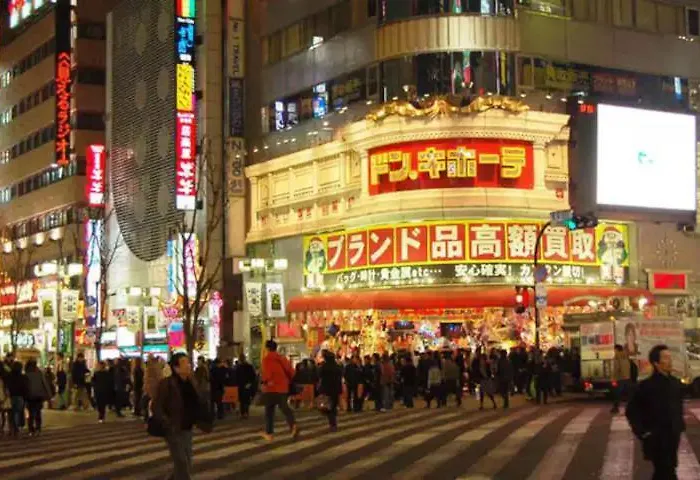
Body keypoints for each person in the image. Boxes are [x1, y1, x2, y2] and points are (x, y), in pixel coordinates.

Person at [626, 345, 685, 480]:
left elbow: (678, 407)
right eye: (666, 358)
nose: (670, 361)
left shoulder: (675, 383)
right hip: (656, 437)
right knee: (666, 470)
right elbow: (632, 411)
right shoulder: (646, 386)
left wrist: (679, 425)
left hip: (673, 435)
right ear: (656, 363)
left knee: (666, 470)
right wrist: (643, 432)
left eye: (670, 357)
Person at [152, 352, 212, 480]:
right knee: (181, 462)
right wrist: (166, 422)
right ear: (176, 368)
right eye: (184, 363)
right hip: (173, 428)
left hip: (187, 427)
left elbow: (198, 402)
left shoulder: (191, 382)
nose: (188, 365)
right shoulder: (167, 383)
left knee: (186, 461)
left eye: (188, 362)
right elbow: (157, 406)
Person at [260, 340, 298, 442]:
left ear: (267, 348)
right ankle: (293, 425)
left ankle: (269, 433)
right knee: (284, 408)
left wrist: (264, 382)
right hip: (283, 388)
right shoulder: (282, 358)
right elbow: (292, 372)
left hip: (271, 388)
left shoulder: (266, 359)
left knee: (269, 411)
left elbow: (267, 374)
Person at [25, 359, 52, 436]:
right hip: (39, 396)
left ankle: (31, 430)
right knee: (38, 413)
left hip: (30, 396)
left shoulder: (26, 374)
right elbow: (45, 384)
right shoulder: (39, 373)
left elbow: (25, 386)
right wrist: (49, 395)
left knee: (30, 414)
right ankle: (38, 429)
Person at [318, 351, 343, 432]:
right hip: (335, 389)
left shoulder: (324, 367)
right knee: (333, 406)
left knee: (328, 407)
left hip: (327, 389)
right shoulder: (337, 367)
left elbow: (319, 376)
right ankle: (333, 423)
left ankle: (332, 424)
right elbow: (340, 378)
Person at [611, 344, 631, 414]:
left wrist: (613, 378)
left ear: (616, 349)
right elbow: (629, 366)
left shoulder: (617, 356)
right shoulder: (626, 356)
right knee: (627, 394)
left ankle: (615, 408)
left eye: (614, 349)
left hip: (620, 378)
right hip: (627, 377)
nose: (614, 351)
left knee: (617, 393)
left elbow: (616, 368)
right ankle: (631, 408)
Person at [235, 353, 256, 419]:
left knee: (242, 400)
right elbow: (253, 376)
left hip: (241, 385)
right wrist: (250, 383)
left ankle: (243, 413)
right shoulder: (249, 366)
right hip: (246, 385)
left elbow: (236, 377)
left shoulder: (238, 367)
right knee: (246, 400)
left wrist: (237, 384)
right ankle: (245, 413)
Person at [144, 355, 163, 423]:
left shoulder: (148, 369)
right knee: (153, 405)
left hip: (151, 390)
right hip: (155, 390)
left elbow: (146, 380)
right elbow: (159, 378)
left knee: (150, 405)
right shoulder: (156, 367)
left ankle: (149, 419)